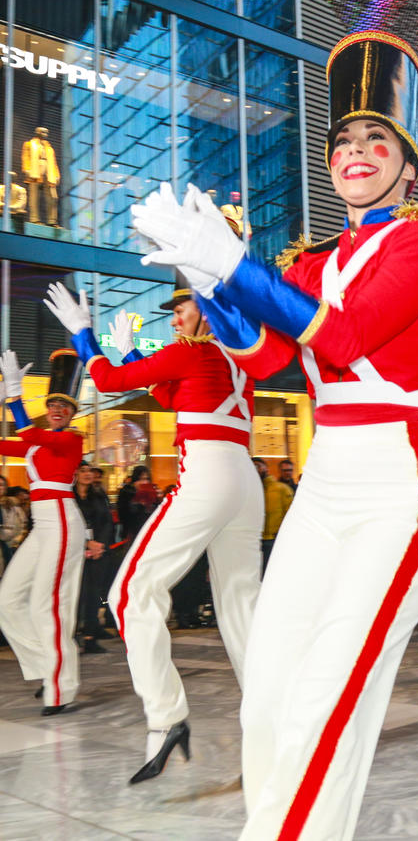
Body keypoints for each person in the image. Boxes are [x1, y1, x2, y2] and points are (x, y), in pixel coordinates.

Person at [131, 31, 418, 839]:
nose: (358, 150)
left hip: (401, 480)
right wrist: (211, 283)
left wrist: (238, 266)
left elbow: (347, 337)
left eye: (375, 137)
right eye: (343, 140)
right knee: (272, 696)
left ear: (407, 163)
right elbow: (269, 354)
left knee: (327, 697)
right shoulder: (311, 262)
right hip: (324, 482)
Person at [44, 280, 263, 784]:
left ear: (206, 310)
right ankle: (272, 722)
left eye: (180, 308)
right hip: (243, 479)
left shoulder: (192, 352)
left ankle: (165, 719)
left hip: (207, 473)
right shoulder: (237, 358)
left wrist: (83, 335)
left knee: (128, 593)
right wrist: (124, 351)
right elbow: (171, 394)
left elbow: (109, 379)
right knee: (240, 602)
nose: (173, 318)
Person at [0, 348, 85, 715]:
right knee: (7, 600)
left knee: (47, 605)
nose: (57, 410)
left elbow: (26, 433)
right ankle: (46, 667)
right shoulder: (39, 439)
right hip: (42, 524)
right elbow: (13, 441)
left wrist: (15, 396)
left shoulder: (70, 439)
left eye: (65, 406)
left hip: (62, 520)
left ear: (72, 414)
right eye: (53, 404)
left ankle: (61, 687)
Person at [73, 462, 114, 651]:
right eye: (83, 471)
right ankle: (71, 636)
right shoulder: (68, 498)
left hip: (97, 551)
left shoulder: (97, 496)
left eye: (89, 471)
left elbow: (107, 522)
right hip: (74, 551)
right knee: (74, 594)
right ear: (74, 474)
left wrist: (99, 545)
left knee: (92, 593)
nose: (88, 474)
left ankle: (90, 636)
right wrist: (84, 544)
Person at [252, 456, 293, 577]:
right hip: (254, 541)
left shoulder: (281, 489)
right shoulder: (250, 489)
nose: (255, 469)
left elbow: (290, 516)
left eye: (258, 466)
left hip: (273, 540)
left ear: (266, 468)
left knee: (272, 574)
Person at [0, 474, 26, 570]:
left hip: (8, 547)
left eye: (1, 485)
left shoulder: (12, 505)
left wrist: (16, 542)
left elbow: (23, 525)